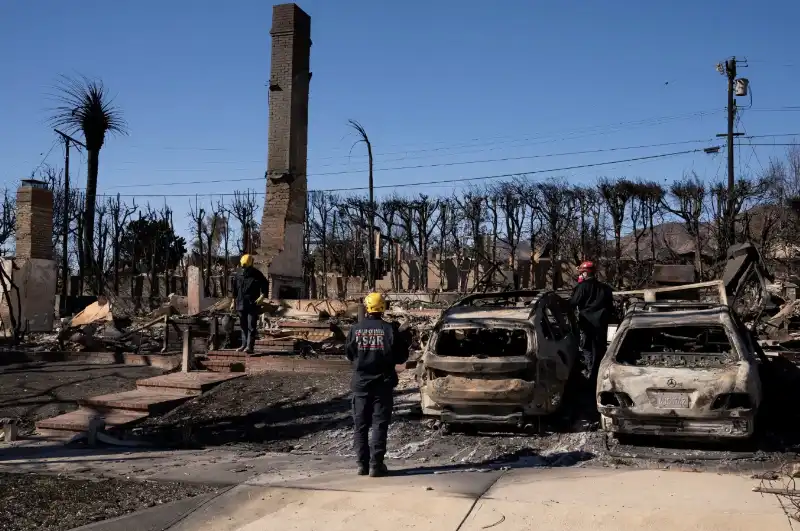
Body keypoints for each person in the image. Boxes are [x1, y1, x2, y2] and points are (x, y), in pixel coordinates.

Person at [345, 292, 410, 477]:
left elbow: (350, 354)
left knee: (361, 425)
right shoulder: (389, 330)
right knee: (379, 424)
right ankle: (376, 465)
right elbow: (401, 357)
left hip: (361, 385)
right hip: (383, 384)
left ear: (366, 307)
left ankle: (362, 464)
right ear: (383, 307)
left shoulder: (355, 329)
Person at [569, 260, 614, 384]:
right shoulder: (605, 288)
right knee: (600, 348)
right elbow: (611, 307)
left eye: (581, 273)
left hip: (587, 323)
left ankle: (590, 373)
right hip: (601, 323)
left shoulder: (582, 287)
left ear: (584, 273)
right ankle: (600, 373)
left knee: (587, 347)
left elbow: (573, 303)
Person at [230, 254, 269, 354]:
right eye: (243, 267)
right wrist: (232, 302)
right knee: (243, 326)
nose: (244, 269)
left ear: (250, 265)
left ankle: (249, 347)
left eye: (246, 267)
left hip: (253, 303)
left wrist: (263, 295)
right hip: (240, 303)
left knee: (251, 326)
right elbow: (234, 289)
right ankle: (243, 345)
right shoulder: (238, 274)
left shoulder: (257, 274)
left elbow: (265, 284)